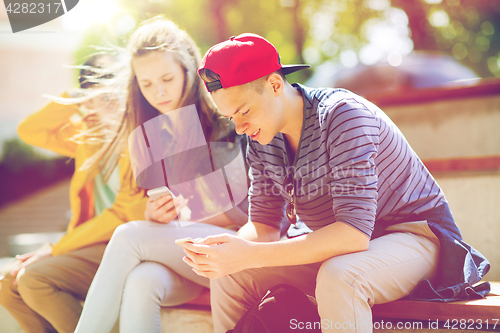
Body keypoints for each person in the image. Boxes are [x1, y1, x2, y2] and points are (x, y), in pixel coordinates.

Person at [181, 33, 491, 333]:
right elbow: (263, 226)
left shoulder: (343, 117)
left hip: (416, 238)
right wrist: (225, 251)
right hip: (344, 249)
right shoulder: (263, 136)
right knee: (230, 276)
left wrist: (248, 254)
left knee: (339, 276)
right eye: (230, 117)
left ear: (275, 84)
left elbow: (353, 236)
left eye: (244, 111)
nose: (240, 127)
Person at [74, 17, 249, 333]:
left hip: (235, 249)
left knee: (127, 236)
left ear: (187, 70)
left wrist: (188, 213)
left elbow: (248, 217)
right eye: (147, 83)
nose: (159, 92)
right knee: (142, 281)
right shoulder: (150, 136)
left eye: (167, 78)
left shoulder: (224, 124)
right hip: (187, 254)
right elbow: (165, 219)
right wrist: (155, 215)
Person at [0, 55, 149, 333]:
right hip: (89, 244)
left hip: (125, 245)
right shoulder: (87, 139)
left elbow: (124, 212)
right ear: (88, 104)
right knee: (7, 285)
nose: (115, 104)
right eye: (104, 98)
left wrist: (56, 249)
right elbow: (29, 130)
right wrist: (75, 96)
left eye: (118, 93)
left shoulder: (140, 137)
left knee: (33, 279)